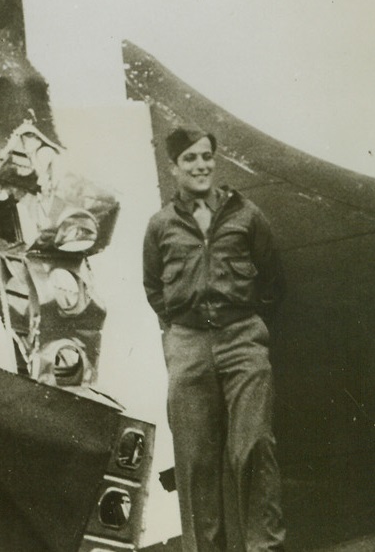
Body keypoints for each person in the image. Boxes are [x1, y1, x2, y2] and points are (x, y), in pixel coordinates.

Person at [143, 126, 285, 552]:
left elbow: (273, 280)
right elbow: (154, 288)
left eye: (206, 156)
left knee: (254, 446)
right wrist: (181, 333)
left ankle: (266, 548)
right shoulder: (160, 226)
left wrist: (247, 324)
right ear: (174, 168)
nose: (201, 165)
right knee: (195, 461)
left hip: (242, 337)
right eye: (190, 159)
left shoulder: (246, 215)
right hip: (188, 346)